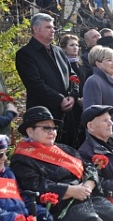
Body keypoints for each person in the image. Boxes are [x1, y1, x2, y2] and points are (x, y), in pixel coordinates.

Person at [10, 106, 113, 221]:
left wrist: (88, 185)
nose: (52, 132)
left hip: (87, 195)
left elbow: (90, 167)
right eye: (46, 128)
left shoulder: (65, 149)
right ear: (30, 131)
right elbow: (36, 185)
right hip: (60, 205)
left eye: (54, 128)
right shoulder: (22, 158)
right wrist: (70, 190)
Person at [16, 13, 78, 146]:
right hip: (44, 115)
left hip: (67, 114)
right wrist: (59, 99)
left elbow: (73, 76)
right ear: (36, 29)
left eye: (53, 27)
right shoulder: (25, 54)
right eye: (49, 27)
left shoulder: (58, 51)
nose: (53, 30)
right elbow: (35, 84)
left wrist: (73, 96)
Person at [83, 45, 113, 144]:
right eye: (109, 60)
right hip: (108, 141)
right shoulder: (94, 81)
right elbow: (91, 117)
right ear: (98, 64)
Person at [0, 135, 53, 221]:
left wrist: (41, 213)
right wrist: (16, 218)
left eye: (7, 153)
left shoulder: (8, 173)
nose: (5, 158)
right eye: (0, 155)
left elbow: (24, 198)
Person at [59, 34, 87, 148]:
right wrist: (75, 97)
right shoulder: (63, 64)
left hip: (83, 103)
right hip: (71, 104)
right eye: (71, 45)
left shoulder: (81, 64)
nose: (75, 47)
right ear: (64, 48)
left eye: (77, 45)